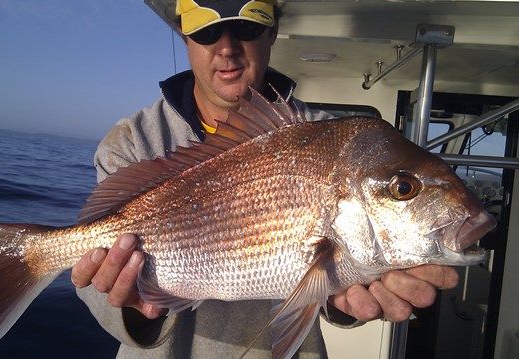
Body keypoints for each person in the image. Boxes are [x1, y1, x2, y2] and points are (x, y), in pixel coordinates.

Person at [71, 0, 460, 357]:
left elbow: (340, 278)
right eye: (206, 31)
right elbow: (89, 272)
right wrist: (132, 307)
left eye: (246, 26)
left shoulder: (329, 135)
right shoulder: (132, 141)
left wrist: (348, 302)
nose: (226, 48)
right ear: (184, 36)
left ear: (272, 31)